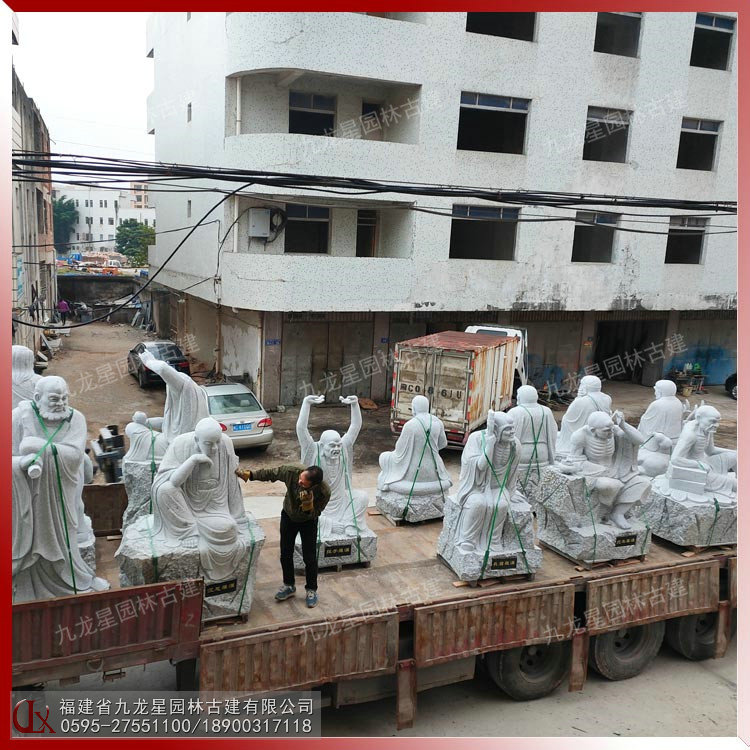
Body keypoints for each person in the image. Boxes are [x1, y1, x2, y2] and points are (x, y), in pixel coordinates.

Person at [237, 463, 329, 608]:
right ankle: (289, 585)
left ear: (313, 485)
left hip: (308, 522)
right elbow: (271, 473)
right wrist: (251, 475)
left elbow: (318, 511)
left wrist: (309, 508)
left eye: (303, 483)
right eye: (300, 478)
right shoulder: (291, 472)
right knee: (286, 553)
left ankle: (311, 590)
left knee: (309, 557)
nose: (299, 482)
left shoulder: (323, 491)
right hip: (288, 516)